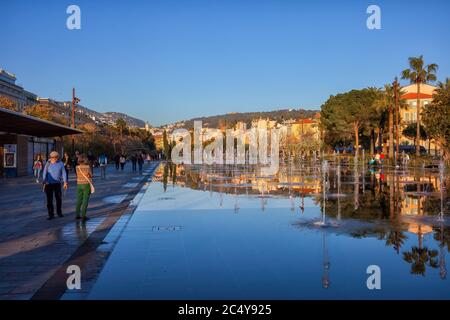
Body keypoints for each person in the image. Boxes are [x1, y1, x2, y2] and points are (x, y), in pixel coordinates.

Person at [42, 151, 68, 220]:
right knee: (49, 200)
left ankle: (59, 212)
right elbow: (44, 173)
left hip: (57, 184)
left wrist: (65, 182)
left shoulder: (60, 163)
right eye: (52, 157)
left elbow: (64, 173)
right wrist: (44, 181)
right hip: (49, 184)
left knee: (58, 199)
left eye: (55, 157)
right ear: (51, 157)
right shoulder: (48, 163)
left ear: (58, 157)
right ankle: (51, 214)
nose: (54, 159)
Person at [75, 154, 94, 222]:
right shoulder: (87, 167)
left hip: (79, 184)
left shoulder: (77, 167)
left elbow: (77, 175)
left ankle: (77, 214)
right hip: (86, 184)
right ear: (85, 160)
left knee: (79, 199)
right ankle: (83, 215)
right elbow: (91, 175)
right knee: (85, 200)